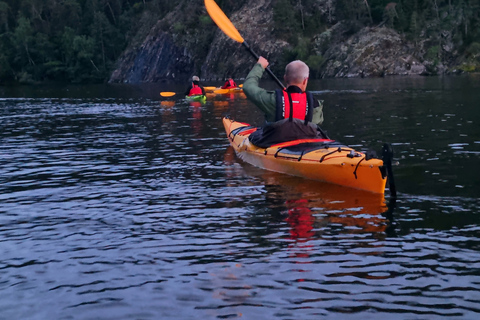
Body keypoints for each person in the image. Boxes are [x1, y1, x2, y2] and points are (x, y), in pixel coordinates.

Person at [242, 57, 326, 147]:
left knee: (257, 133)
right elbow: (318, 121)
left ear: (285, 78)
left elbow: (248, 87)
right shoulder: (315, 103)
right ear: (305, 80)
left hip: (275, 143)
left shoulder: (273, 99)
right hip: (308, 146)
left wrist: (260, 65)